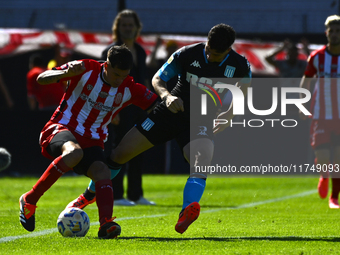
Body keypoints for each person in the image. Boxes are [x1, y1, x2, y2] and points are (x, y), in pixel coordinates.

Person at [68, 23, 251, 233]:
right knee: (119, 155)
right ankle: (87, 196)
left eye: (216, 54)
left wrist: (229, 115)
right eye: (208, 49)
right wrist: (167, 96)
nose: (209, 55)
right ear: (206, 41)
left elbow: (243, 91)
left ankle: (186, 212)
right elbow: (158, 79)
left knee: (202, 163)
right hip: (169, 112)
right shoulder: (187, 53)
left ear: (228, 50)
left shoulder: (240, 65)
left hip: (200, 120)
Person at [18, 45, 158, 239]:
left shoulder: (129, 87)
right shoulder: (85, 68)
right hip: (61, 127)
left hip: (93, 139)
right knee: (74, 153)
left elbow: (156, 106)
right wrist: (64, 73)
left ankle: (106, 224)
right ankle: (30, 199)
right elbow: (41, 79)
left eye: (123, 75)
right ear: (106, 65)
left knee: (102, 171)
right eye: (116, 74)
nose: (119, 80)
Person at [100, 9, 154, 206]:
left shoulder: (140, 50)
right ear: (118, 28)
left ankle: (136, 195)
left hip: (138, 108)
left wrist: (150, 106)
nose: (128, 28)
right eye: (124, 25)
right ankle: (117, 195)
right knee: (118, 151)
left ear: (137, 27)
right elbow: (104, 85)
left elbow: (143, 80)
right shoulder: (110, 52)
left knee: (138, 148)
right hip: (118, 109)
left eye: (131, 25)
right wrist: (109, 111)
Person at [299, 15, 340, 209]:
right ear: (326, 33)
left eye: (338, 31)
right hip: (320, 114)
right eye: (331, 31)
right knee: (324, 159)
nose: (334, 34)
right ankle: (324, 175)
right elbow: (306, 80)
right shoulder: (317, 57)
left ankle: (334, 198)